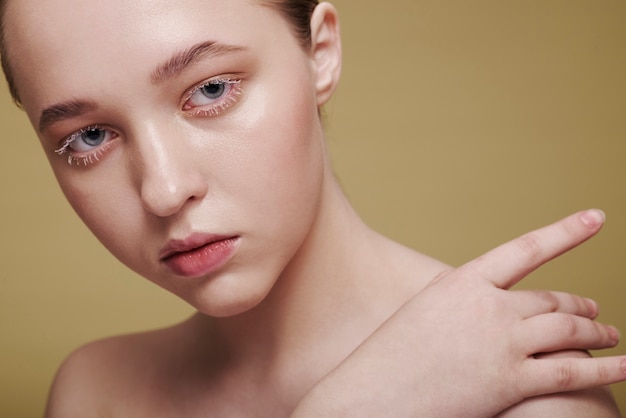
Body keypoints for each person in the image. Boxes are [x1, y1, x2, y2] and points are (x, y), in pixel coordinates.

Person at [1, 0, 624, 416]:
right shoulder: (94, 393)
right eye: (88, 137)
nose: (164, 190)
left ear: (320, 53)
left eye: (211, 90)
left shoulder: (528, 393)